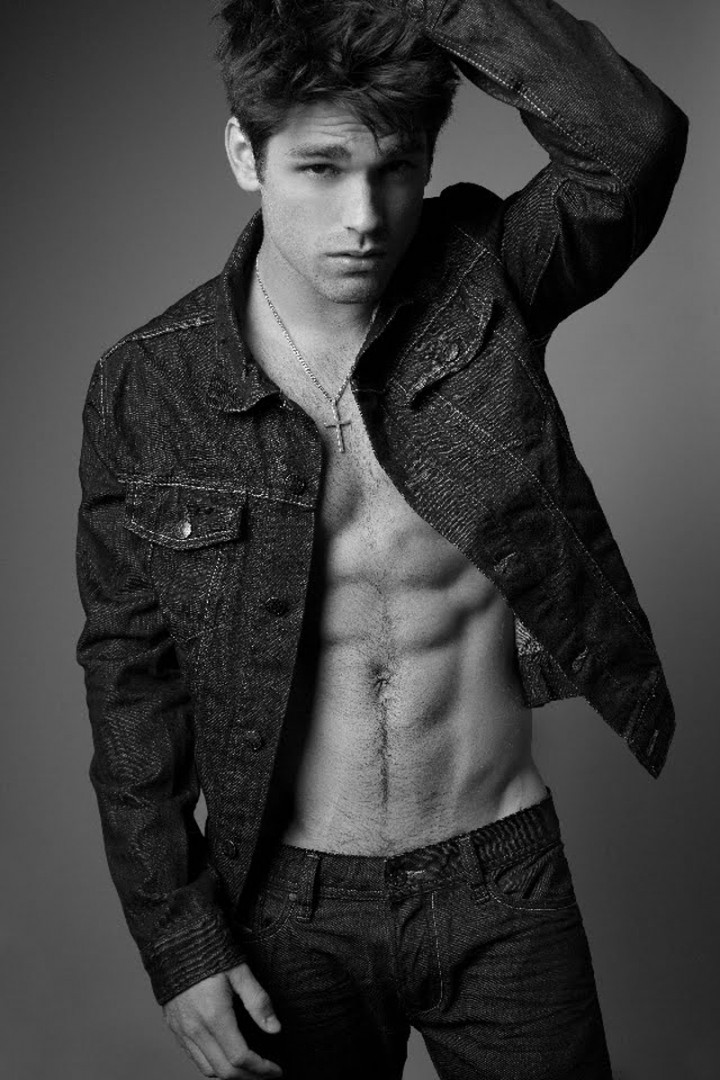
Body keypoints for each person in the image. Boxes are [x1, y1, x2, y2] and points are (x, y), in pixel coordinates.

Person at [74, 0, 688, 1077]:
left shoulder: (488, 280)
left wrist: (437, 2)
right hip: (286, 906)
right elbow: (130, 679)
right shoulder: (148, 386)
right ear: (245, 154)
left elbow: (631, 143)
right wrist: (179, 943)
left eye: (396, 169)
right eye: (319, 169)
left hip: (503, 878)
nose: (364, 215)